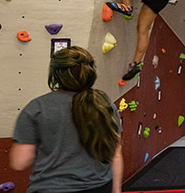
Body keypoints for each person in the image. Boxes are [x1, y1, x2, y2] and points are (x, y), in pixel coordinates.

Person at [10, 46, 122, 193]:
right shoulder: (104, 104)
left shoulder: (37, 108)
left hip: (51, 189)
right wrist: (117, 190)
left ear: (55, 74)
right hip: (99, 188)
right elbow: (116, 155)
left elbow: (20, 162)